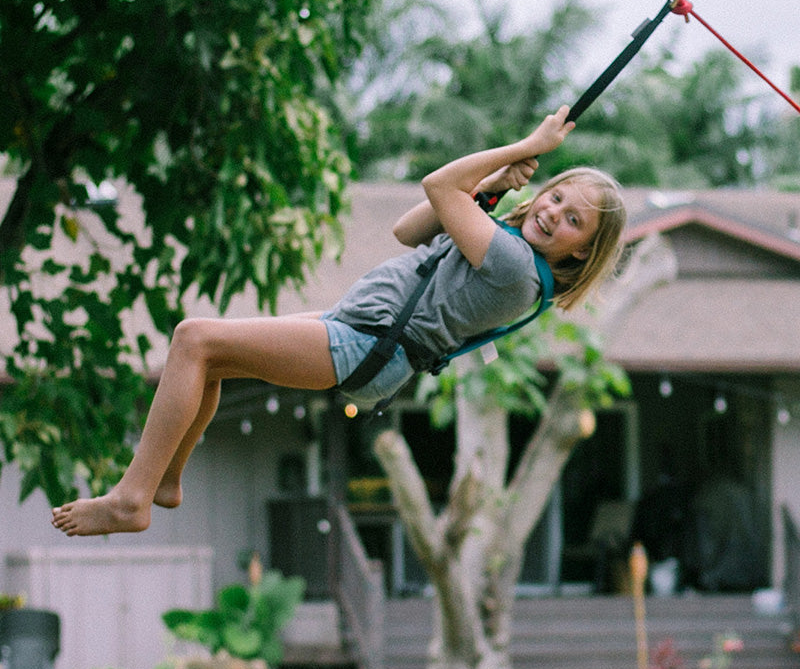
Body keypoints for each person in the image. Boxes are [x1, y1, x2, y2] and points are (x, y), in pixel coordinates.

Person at [52, 105, 625, 537]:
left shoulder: (516, 269)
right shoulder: (503, 245)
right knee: (211, 358)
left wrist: (522, 146)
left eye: (572, 220)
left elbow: (436, 184)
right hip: (357, 328)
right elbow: (410, 229)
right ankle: (167, 481)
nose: (552, 214)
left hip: (365, 343)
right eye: (556, 199)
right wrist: (492, 187)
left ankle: (133, 497)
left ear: (579, 252)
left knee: (192, 339)